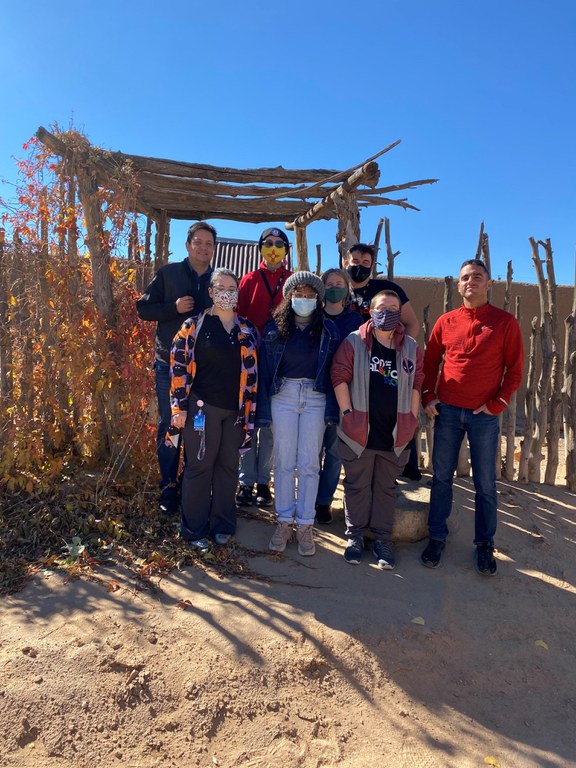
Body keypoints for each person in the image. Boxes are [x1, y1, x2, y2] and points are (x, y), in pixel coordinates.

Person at [420, 259, 524, 576]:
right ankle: (437, 537)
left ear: (489, 284)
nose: (470, 281)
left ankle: (484, 546)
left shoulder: (505, 323)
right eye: (465, 277)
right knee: (441, 479)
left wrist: (498, 403)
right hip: (448, 411)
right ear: (459, 284)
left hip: (484, 416)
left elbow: (515, 370)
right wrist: (427, 396)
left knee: (485, 485)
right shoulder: (446, 321)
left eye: (477, 276)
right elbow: (430, 362)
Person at [331, 290, 423, 568]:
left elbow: (418, 382)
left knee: (385, 488)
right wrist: (348, 413)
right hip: (358, 433)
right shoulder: (354, 341)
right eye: (382, 307)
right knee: (356, 486)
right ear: (371, 311)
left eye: (394, 308)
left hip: (394, 434)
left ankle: (382, 538)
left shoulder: (410, 346)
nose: (388, 312)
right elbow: (339, 375)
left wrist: (412, 417)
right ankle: (355, 536)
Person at [170, 268, 258, 550]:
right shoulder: (192, 327)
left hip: (235, 412)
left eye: (232, 289)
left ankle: (223, 525)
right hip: (201, 409)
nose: (227, 294)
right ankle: (194, 529)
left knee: (228, 467)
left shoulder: (247, 330)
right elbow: (178, 368)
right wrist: (178, 408)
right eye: (221, 288)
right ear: (210, 291)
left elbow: (254, 374)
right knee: (200, 466)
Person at [256, 271, 339, 556]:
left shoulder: (329, 331)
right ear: (289, 298)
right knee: (283, 462)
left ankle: (305, 525)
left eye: (310, 295)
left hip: (316, 397)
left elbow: (335, 372)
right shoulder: (273, 330)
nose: (304, 299)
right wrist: (263, 410)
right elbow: (266, 373)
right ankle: (283, 521)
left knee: (309, 464)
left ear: (318, 299)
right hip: (284, 396)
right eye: (298, 294)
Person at [136, 221, 216, 515]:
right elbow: (143, 308)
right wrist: (173, 307)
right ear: (188, 245)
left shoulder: (217, 281)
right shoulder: (168, 273)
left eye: (208, 243)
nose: (203, 248)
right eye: (198, 242)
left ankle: (189, 483)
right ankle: (168, 486)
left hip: (205, 370)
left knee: (199, 427)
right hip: (168, 366)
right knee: (171, 425)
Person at [235, 227, 292, 508]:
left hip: (280, 361)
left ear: (286, 249)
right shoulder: (248, 280)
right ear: (260, 248)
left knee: (269, 425)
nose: (273, 248)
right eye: (268, 243)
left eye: (279, 244)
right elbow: (238, 319)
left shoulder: (292, 282)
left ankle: (262, 482)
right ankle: (245, 482)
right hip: (250, 359)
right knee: (247, 420)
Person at [314, 268, 362, 524]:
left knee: (334, 452)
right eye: (329, 283)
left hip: (344, 395)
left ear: (347, 288)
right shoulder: (312, 316)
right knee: (311, 452)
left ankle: (323, 501)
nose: (334, 287)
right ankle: (308, 499)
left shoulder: (356, 322)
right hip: (315, 392)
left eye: (339, 283)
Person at [343, 243, 420, 337]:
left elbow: (412, 323)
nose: (360, 266)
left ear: (371, 267)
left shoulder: (388, 289)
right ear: (346, 264)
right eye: (355, 261)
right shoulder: (340, 292)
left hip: (381, 349)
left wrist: (404, 350)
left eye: (365, 262)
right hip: (347, 349)